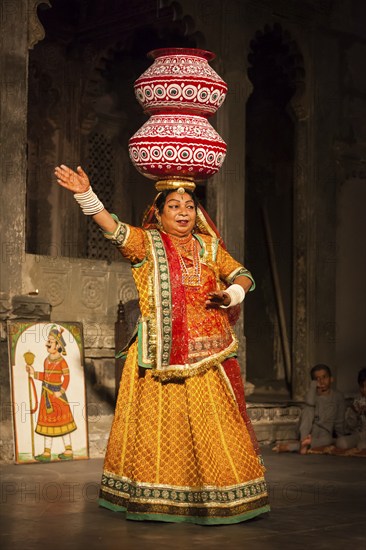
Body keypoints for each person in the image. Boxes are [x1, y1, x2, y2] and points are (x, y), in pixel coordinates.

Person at [55, 164, 270, 525]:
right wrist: (84, 194)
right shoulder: (148, 243)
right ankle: (158, 499)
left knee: (214, 427)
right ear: (159, 212)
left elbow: (243, 275)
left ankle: (220, 499)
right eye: (174, 206)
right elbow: (112, 227)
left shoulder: (209, 245)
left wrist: (231, 295)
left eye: (189, 206)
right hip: (160, 358)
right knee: (159, 430)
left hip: (208, 355)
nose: (184, 212)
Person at [25, 324, 77, 461]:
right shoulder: (46, 360)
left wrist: (61, 391)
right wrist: (33, 373)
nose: (47, 343)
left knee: (63, 424)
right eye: (48, 341)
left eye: (50, 341)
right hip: (46, 395)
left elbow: (67, 377)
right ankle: (47, 453)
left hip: (57, 395)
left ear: (58, 345)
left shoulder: (62, 362)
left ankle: (68, 451)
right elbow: (45, 376)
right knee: (47, 424)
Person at [273, 364, 345, 454]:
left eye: (324, 377)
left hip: (324, 433)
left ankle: (297, 446)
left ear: (331, 379)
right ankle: (304, 441)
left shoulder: (338, 397)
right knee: (308, 409)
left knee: (329, 440)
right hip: (308, 430)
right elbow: (309, 404)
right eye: (317, 379)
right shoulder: (312, 395)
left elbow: (339, 421)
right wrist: (313, 387)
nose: (321, 381)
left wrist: (341, 437)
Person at [336, 367, 366, 455]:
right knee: (341, 442)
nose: (364, 390)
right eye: (362, 386)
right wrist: (354, 412)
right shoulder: (358, 401)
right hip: (360, 434)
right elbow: (351, 427)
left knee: (361, 446)